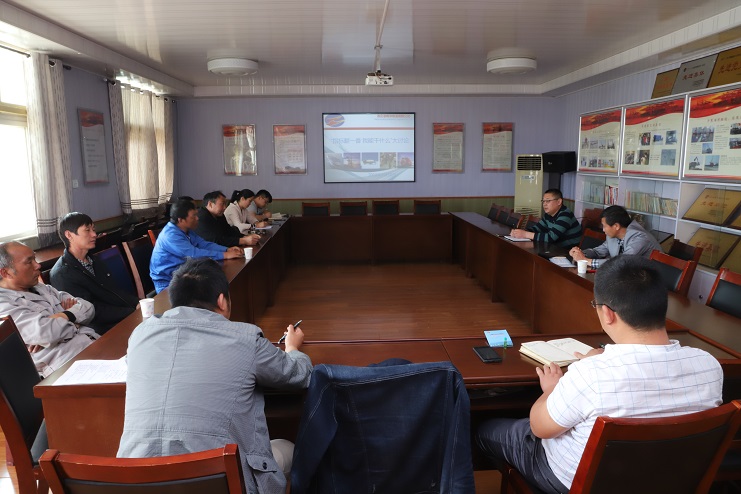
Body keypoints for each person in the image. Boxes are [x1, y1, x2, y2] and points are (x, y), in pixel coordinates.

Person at [476, 255, 723, 493]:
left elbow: (539, 428)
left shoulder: (590, 374)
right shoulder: (709, 366)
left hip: (577, 482)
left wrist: (552, 390)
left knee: (484, 429)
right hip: (669, 481)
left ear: (607, 313)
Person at [117, 257, 312, 494]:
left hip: (137, 481)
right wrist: (292, 348)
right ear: (221, 300)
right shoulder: (245, 338)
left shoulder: (140, 335)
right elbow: (299, 375)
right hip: (217, 481)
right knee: (289, 449)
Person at [0, 241, 99, 377]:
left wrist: (63, 317)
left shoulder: (41, 288)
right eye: (29, 262)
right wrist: (75, 319)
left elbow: (88, 307)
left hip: (94, 342)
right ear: (6, 273)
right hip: (68, 365)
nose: (38, 265)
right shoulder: (4, 304)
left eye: (35, 259)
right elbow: (46, 333)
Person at [50, 212, 139, 334]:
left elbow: (115, 291)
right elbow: (91, 311)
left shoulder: (94, 260)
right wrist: (132, 312)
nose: (94, 234)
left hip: (120, 317)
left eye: (93, 229)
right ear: (69, 235)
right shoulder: (63, 273)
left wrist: (137, 303)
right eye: (87, 230)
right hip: (98, 330)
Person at [150, 198, 244, 293]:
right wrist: (224, 255)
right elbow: (193, 254)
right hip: (168, 283)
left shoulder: (186, 230)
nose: (197, 218)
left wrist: (227, 250)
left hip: (184, 275)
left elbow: (204, 244)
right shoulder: (171, 235)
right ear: (181, 220)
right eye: (194, 216)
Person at [569, 205, 661, 268]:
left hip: (651, 280)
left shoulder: (640, 237)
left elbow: (622, 262)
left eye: (604, 226)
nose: (603, 230)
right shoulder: (612, 236)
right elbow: (598, 252)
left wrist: (585, 261)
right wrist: (579, 254)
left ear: (616, 226)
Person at [509, 189, 581, 248]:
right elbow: (536, 229)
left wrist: (525, 234)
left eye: (548, 201)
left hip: (568, 252)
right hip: (554, 248)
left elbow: (551, 237)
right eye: (543, 201)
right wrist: (519, 232)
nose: (544, 204)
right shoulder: (548, 215)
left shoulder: (565, 215)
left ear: (559, 202)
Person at [194, 190, 260, 247]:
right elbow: (215, 240)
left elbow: (228, 230)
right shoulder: (202, 217)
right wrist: (243, 241)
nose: (225, 207)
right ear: (210, 204)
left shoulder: (219, 215)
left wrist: (245, 237)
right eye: (222, 204)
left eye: (225, 204)